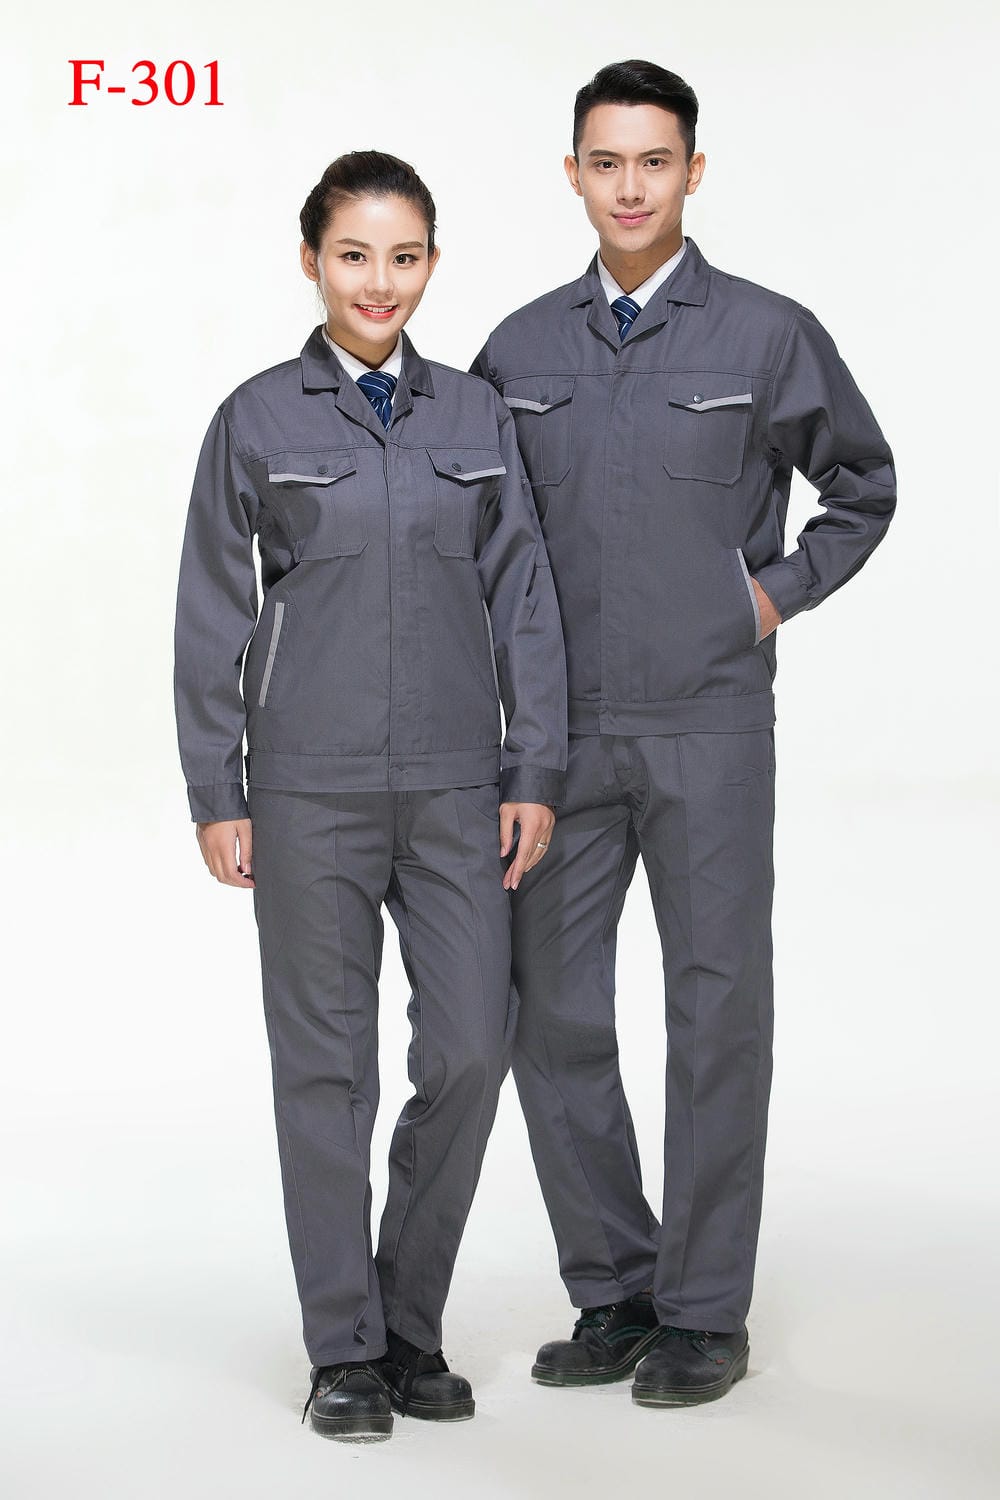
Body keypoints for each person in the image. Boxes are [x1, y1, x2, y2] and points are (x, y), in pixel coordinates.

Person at [472, 60, 896, 1408]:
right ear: (573, 174)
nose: (631, 186)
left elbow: (863, 485)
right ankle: (617, 1288)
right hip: (558, 739)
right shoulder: (517, 352)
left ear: (693, 172)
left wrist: (770, 595)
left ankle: (706, 1313)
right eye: (606, 162)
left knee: (717, 1012)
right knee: (548, 1011)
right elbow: (475, 538)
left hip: (709, 723)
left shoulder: (766, 335)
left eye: (655, 161)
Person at [173, 151, 567, 1441]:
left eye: (403, 257)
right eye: (354, 256)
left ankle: (408, 1320)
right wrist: (218, 787)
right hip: (308, 792)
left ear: (432, 264)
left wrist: (533, 767)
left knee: (471, 1047)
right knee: (325, 1073)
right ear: (313, 262)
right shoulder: (256, 418)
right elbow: (212, 608)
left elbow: (524, 600)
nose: (378, 282)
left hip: (457, 788)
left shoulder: (475, 416)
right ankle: (344, 1350)